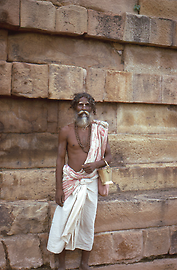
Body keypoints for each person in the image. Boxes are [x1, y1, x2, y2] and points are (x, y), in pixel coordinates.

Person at [47, 92, 112, 270]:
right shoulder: (66, 131)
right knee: (62, 221)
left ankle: (84, 264)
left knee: (87, 222)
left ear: (92, 108)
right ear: (75, 107)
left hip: (90, 181)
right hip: (71, 181)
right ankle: (61, 266)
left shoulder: (100, 130)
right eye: (80, 105)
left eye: (87, 105)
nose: (83, 109)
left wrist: (96, 164)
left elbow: (109, 155)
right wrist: (58, 189)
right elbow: (60, 160)